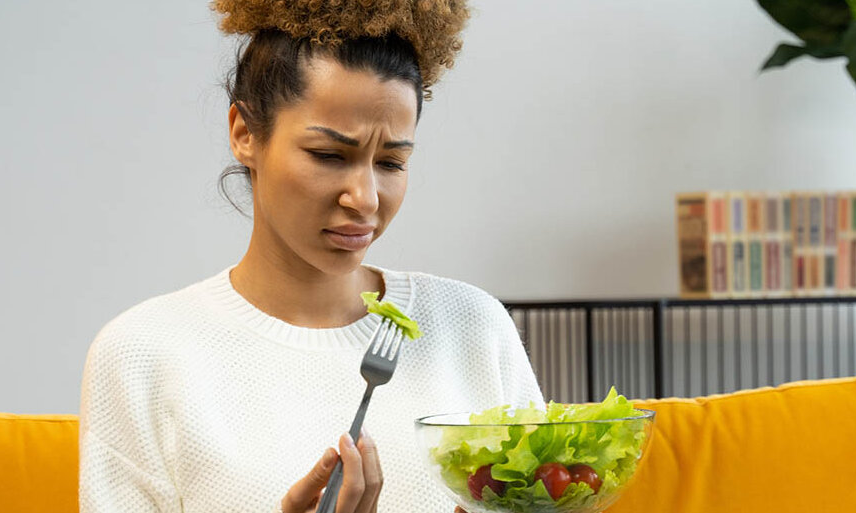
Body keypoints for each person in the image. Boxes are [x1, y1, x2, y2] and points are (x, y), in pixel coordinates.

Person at [78, 1, 544, 511]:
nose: (365, 199)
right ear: (244, 134)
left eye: (391, 162)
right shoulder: (144, 352)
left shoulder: (474, 326)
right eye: (329, 155)